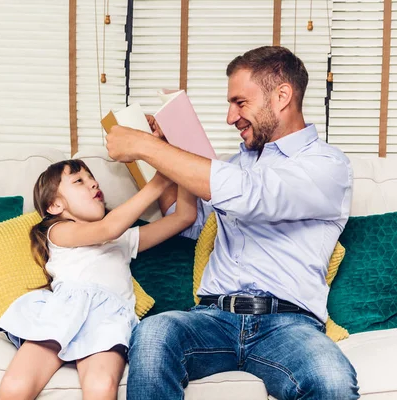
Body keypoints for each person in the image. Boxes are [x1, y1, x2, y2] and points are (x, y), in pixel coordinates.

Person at [106, 46, 360, 399]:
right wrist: (166, 147)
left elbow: (251, 195)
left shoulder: (327, 166)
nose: (230, 117)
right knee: (153, 334)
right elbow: (191, 222)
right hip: (213, 319)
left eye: (240, 103)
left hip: (288, 325)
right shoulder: (234, 165)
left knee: (330, 377)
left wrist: (147, 147)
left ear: (282, 95)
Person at [0, 159, 197, 400]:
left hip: (107, 319)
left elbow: (185, 216)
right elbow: (107, 229)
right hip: (63, 311)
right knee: (16, 385)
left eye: (93, 179)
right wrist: (157, 184)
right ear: (54, 205)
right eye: (79, 180)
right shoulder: (58, 231)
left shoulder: (123, 238)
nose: (93, 184)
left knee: (100, 387)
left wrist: (181, 163)